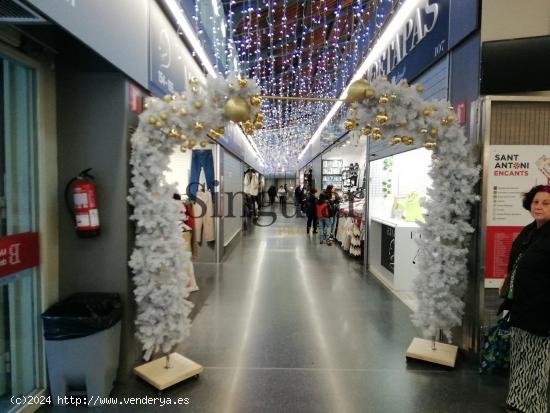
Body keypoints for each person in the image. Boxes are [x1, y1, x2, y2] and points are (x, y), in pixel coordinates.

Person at [500, 185, 550, 413]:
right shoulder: (530, 231)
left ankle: (534, 407)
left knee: (538, 362)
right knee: (520, 356)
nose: (538, 206)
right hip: (521, 306)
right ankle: (517, 400)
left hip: (542, 312)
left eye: (546, 203)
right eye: (535, 202)